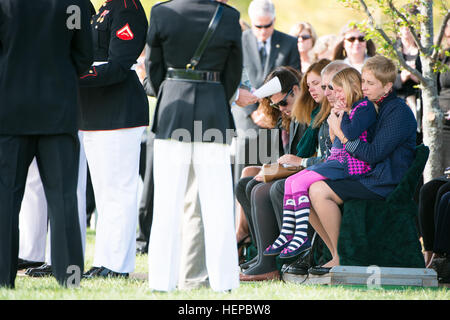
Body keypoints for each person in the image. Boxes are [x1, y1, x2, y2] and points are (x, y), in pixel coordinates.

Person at [145, 0, 243, 292]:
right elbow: (233, 71)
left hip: (173, 105)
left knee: (166, 202)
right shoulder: (229, 15)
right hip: (213, 106)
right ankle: (224, 282)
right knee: (218, 203)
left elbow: (153, 67)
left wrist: (172, 88)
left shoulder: (162, 12)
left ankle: (161, 281)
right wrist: (214, 94)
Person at [0, 0, 93, 288]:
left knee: (5, 198)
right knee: (64, 198)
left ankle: (3, 278)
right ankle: (70, 279)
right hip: (58, 109)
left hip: (10, 110)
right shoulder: (74, 5)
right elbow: (84, 56)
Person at [307, 55, 417, 275]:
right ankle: (336, 254)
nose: (363, 87)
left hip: (384, 182)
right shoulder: (368, 107)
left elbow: (373, 154)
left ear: (387, 86)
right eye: (363, 81)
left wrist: (343, 135)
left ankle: (343, 256)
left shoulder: (398, 111)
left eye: (370, 83)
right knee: (306, 188)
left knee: (318, 191)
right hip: (366, 176)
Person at [239, 59, 339, 281]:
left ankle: (276, 260)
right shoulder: (298, 115)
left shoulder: (316, 113)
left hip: (319, 173)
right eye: (276, 106)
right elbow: (292, 156)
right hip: (309, 171)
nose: (281, 109)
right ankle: (264, 255)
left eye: (283, 102)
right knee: (248, 181)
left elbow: (303, 155)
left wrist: (285, 165)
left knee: (266, 188)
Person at [264, 67, 377, 259]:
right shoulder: (342, 110)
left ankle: (301, 237)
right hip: (337, 160)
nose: (332, 94)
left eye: (337, 89)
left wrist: (341, 117)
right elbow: (335, 141)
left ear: (351, 87)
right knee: (292, 182)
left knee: (298, 182)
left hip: (350, 165)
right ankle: (289, 233)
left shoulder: (364, 108)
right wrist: (337, 119)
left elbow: (348, 135)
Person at [79, 0, 149, 279]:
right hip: (95, 112)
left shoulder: (127, 8)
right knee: (105, 194)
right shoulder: (105, 8)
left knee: (119, 192)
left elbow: (119, 64)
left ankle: (117, 265)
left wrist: (75, 75)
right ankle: (105, 260)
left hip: (119, 110)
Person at [233, 0, 300, 185]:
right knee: (243, 176)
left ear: (274, 20)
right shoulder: (238, 41)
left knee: (269, 176)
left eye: (267, 25)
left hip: (276, 118)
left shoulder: (288, 43)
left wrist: (269, 110)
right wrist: (252, 110)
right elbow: (233, 76)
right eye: (258, 26)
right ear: (251, 21)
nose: (263, 30)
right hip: (246, 117)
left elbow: (293, 80)